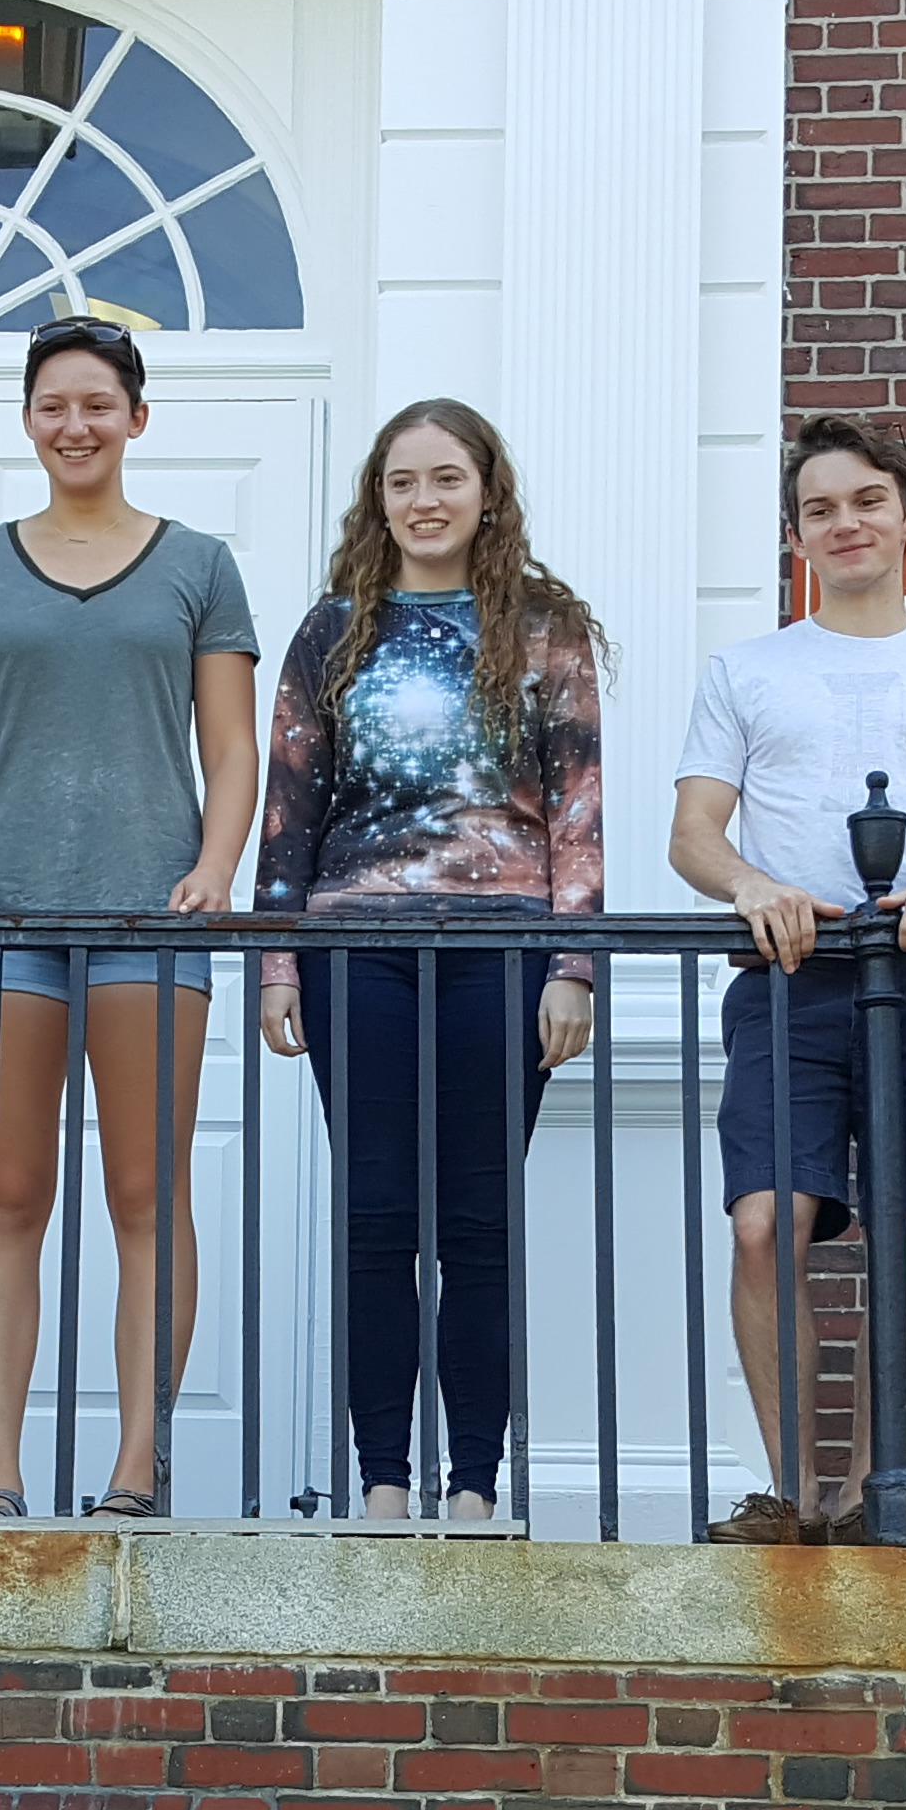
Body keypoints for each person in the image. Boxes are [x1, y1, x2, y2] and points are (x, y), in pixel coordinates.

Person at [0, 315, 262, 1519]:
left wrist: (214, 867)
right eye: (52, 404)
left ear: (136, 418)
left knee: (145, 1196)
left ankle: (135, 1470)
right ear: (26, 419)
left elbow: (231, 747)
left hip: (150, 914)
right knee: (6, 1196)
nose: (75, 424)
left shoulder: (198, 563)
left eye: (97, 403)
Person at [667, 412, 906, 1545]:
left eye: (867, 501)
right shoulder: (745, 669)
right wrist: (751, 885)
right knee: (761, 1225)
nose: (845, 524)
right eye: (819, 509)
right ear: (795, 535)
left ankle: (879, 1489)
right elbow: (693, 832)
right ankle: (792, 1493)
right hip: (786, 973)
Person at [251, 399, 604, 1524]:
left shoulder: (543, 626)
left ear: (487, 492)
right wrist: (276, 962)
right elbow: (289, 807)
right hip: (355, 949)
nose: (424, 500)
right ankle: (383, 1483)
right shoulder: (332, 630)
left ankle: (474, 1485)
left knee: (478, 1226)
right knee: (375, 1220)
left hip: (502, 949)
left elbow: (578, 807)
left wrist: (573, 963)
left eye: (446, 478)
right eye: (401, 482)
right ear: (378, 500)